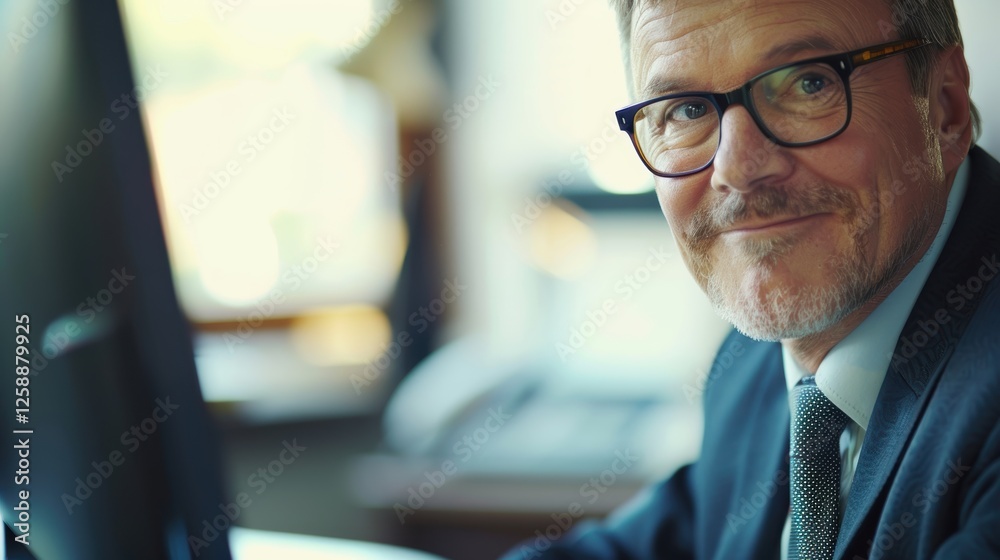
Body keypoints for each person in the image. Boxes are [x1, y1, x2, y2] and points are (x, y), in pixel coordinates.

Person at [501, 0, 999, 558]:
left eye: (808, 83)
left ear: (945, 107)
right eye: (687, 110)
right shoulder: (748, 368)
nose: (737, 169)